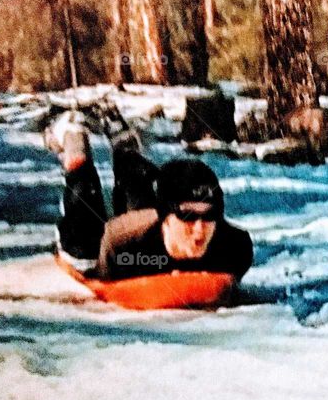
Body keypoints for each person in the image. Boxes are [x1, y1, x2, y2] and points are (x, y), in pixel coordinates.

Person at [44, 106, 252, 282]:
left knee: (138, 190)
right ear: (166, 218)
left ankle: (125, 146)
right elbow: (104, 280)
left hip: (151, 220)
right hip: (111, 246)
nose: (199, 229)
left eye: (209, 216)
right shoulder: (122, 243)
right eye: (187, 216)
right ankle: (74, 138)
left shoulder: (236, 248)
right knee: (82, 248)